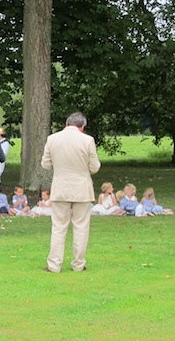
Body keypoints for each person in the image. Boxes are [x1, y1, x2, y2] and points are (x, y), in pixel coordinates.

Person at [41, 111, 100, 273]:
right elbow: (95, 167)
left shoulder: (53, 139)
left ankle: (54, 265)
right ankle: (78, 264)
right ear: (83, 126)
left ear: (66, 124)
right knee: (81, 227)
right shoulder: (87, 140)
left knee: (59, 227)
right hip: (82, 188)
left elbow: (45, 164)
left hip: (61, 187)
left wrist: (59, 168)